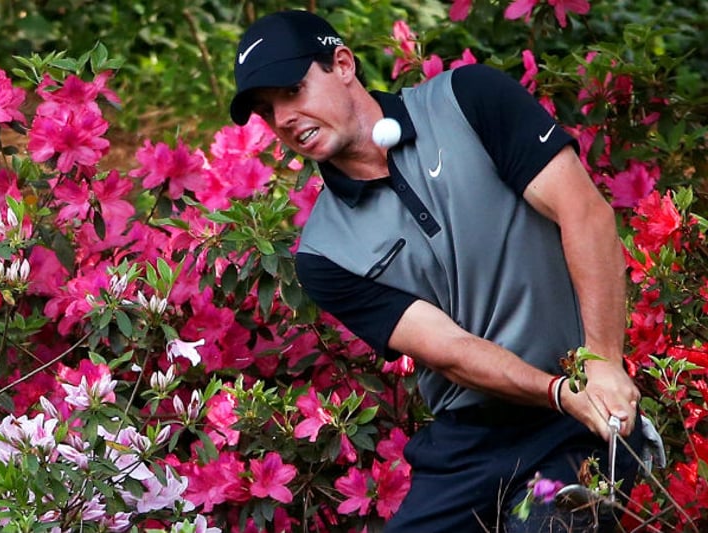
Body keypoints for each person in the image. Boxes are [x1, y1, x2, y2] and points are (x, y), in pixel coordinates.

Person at [229, 9, 648, 532]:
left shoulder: (468, 101)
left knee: (544, 523)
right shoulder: (324, 253)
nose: (284, 118)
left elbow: (584, 213)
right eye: (267, 110)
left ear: (343, 64)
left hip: (584, 417)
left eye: (293, 90)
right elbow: (451, 351)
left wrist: (603, 364)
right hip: (470, 445)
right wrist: (558, 392)